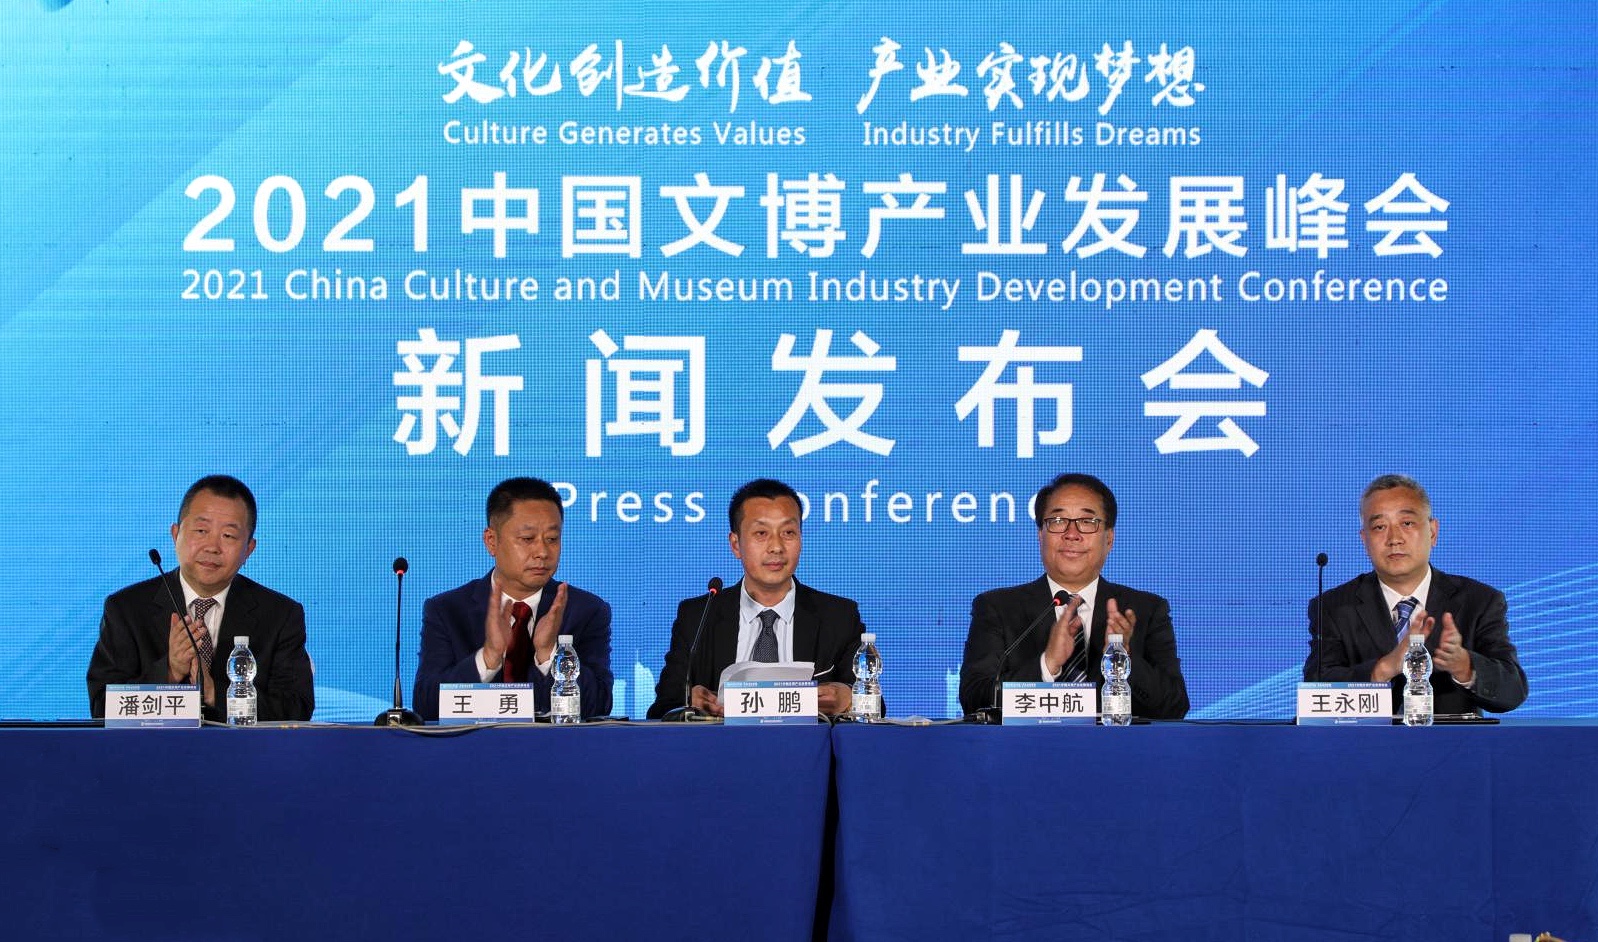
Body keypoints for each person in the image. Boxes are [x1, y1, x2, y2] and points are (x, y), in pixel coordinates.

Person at [959, 472, 1189, 720]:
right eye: (1058, 520)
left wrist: (1123, 659)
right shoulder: (997, 608)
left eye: (1087, 522)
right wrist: (1047, 665)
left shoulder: (1146, 610)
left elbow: (1174, 708)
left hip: (1117, 745)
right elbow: (974, 700)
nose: (1072, 533)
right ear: (1040, 535)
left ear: (1109, 538)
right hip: (1026, 745)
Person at [88, 475, 314, 721]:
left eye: (228, 535)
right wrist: (170, 672)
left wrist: (214, 692)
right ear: (176, 535)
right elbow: (102, 708)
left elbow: (296, 710)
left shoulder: (280, 615)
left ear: (249, 549)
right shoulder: (127, 609)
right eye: (201, 531)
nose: (212, 547)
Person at [1304, 474, 1527, 715]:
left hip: (1451, 739)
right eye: (1379, 527)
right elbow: (1316, 691)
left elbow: (1513, 691)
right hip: (1366, 739)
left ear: (1433, 532)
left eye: (1407, 523)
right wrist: (1384, 668)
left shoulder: (1479, 601)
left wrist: (1464, 665)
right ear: (1364, 540)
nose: (1394, 539)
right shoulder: (1334, 607)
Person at [647, 478, 865, 719]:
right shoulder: (698, 617)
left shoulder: (838, 617)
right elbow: (661, 709)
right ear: (736, 544)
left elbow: (874, 707)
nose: (776, 547)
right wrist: (687, 703)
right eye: (761, 533)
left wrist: (850, 699)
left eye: (788, 532)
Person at [413, 477, 612, 721]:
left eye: (552, 539)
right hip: (474, 744)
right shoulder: (447, 610)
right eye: (527, 539)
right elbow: (427, 707)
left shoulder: (585, 610)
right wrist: (488, 657)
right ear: (491, 541)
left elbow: (599, 706)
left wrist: (549, 654)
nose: (542, 552)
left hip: (554, 745)